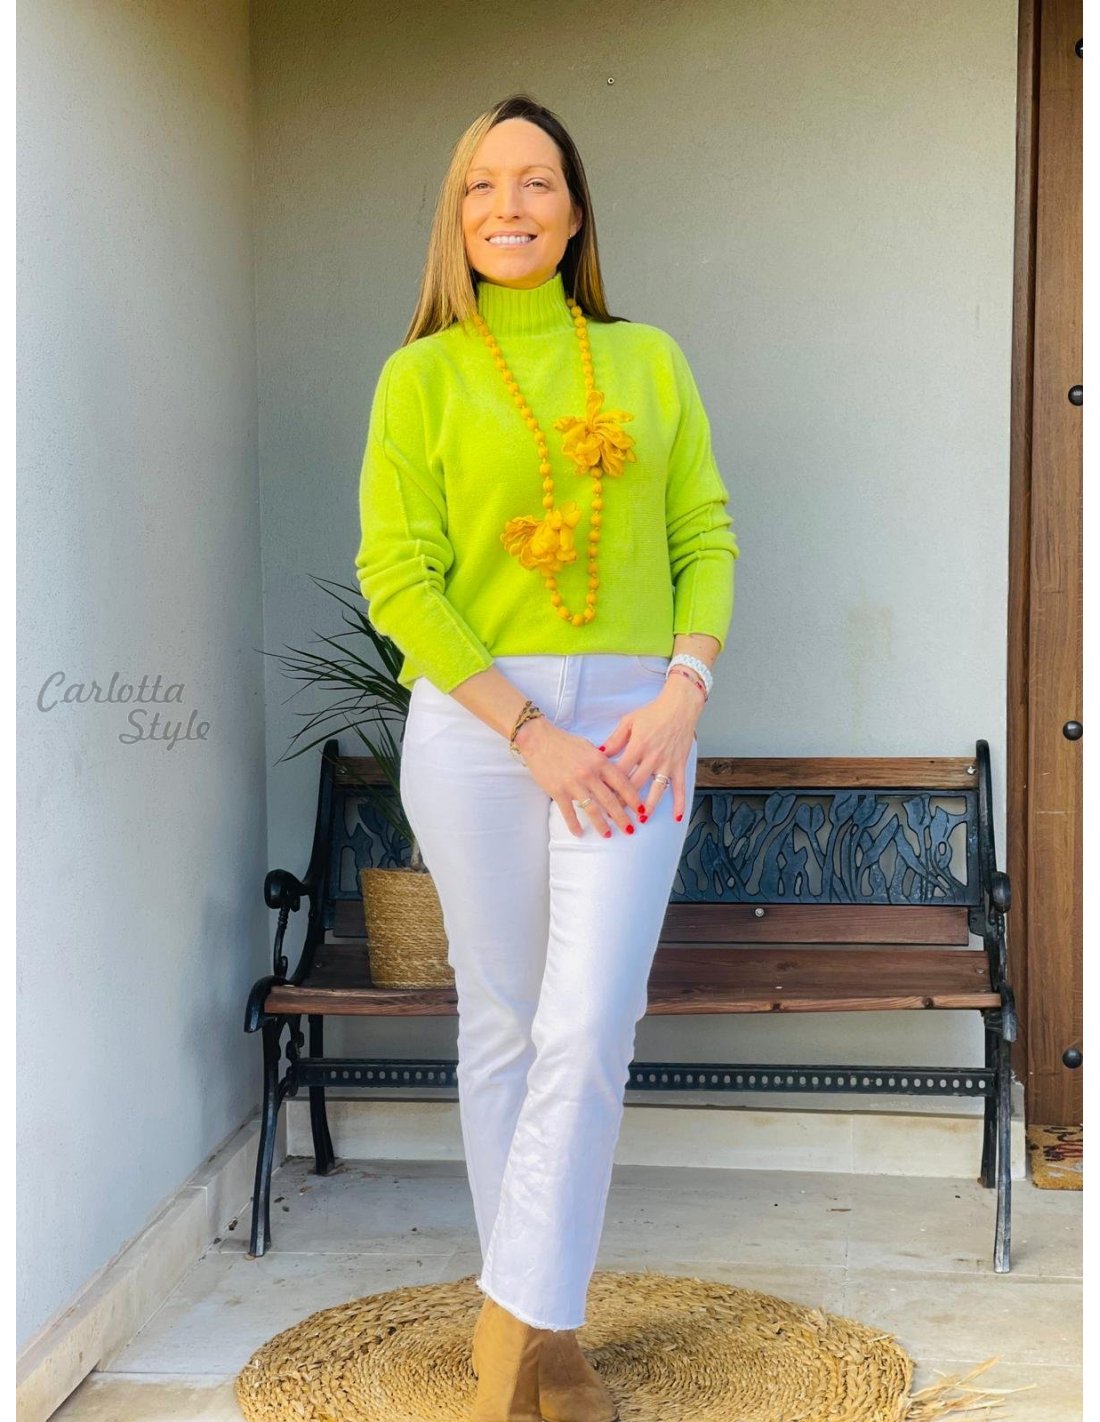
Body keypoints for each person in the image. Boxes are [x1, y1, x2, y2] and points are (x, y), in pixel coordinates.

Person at [355, 93, 740, 1422]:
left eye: (536, 182)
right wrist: (528, 730)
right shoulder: (420, 377)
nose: (508, 206)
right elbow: (398, 578)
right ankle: (550, 1343)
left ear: (575, 212)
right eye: (482, 184)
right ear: (455, 217)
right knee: (504, 1022)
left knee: (590, 1022)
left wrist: (683, 689)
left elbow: (705, 535)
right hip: (479, 725)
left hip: (638, 723)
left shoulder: (649, 360)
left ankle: (505, 1337)